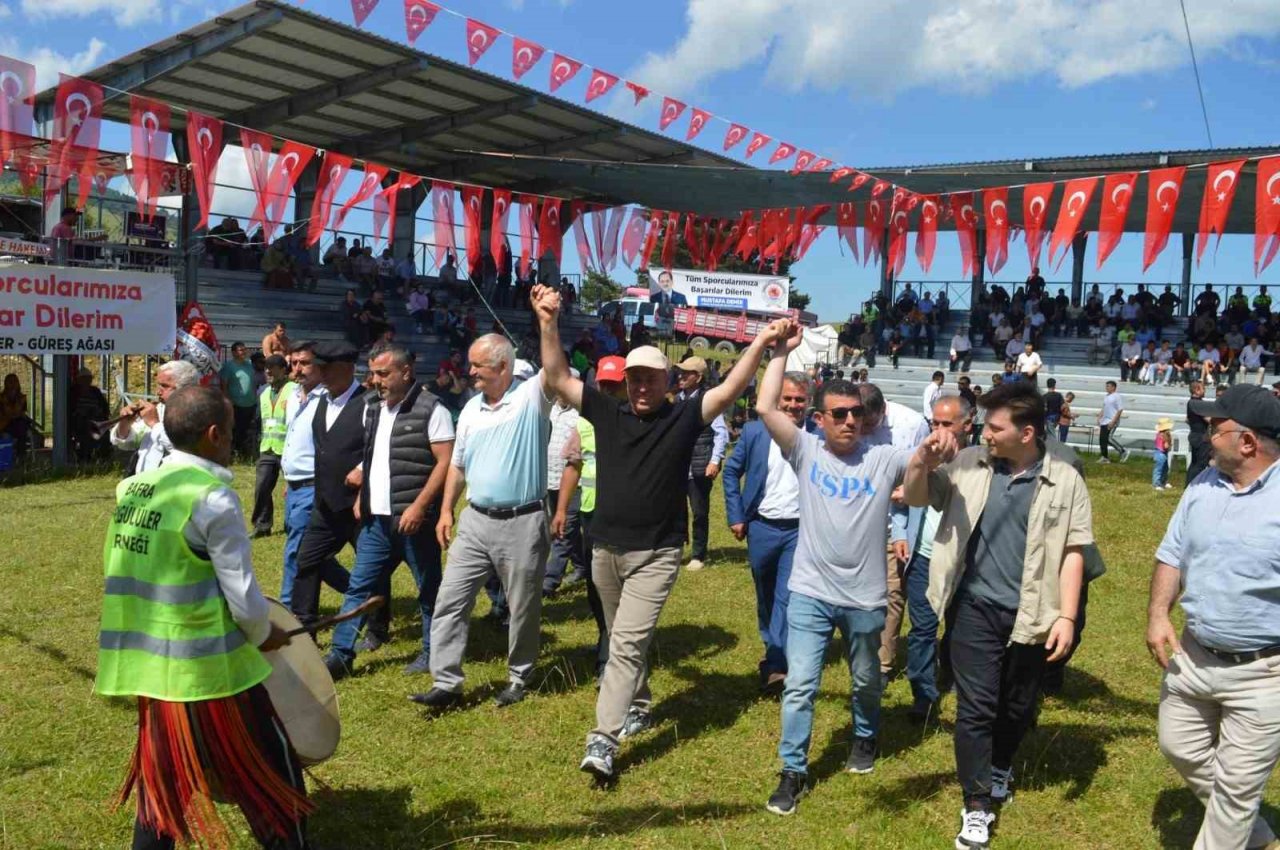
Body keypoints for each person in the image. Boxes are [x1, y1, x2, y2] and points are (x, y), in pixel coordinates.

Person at [533, 284, 781, 781]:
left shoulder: (685, 416)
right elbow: (558, 376)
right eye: (634, 378)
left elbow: (730, 389)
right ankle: (640, 703)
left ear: (668, 380)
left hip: (656, 554)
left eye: (651, 378)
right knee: (624, 636)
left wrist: (761, 343)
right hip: (604, 549)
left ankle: (602, 741)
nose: (642, 386)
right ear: (624, 381)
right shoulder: (606, 411)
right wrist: (547, 321)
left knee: (624, 642)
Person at [95, 385, 312, 850]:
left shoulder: (133, 489)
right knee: (276, 780)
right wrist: (264, 632)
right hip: (212, 674)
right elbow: (244, 599)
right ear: (214, 434)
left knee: (162, 792)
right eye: (232, 432)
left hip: (151, 672)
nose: (234, 440)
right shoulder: (212, 498)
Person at [903, 381, 1093, 850]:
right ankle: (977, 805)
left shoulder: (1066, 478)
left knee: (1017, 705)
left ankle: (1001, 765)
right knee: (976, 708)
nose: (984, 433)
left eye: (994, 426)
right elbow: (913, 496)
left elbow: (1074, 551)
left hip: (1035, 612)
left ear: (1026, 433)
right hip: (974, 607)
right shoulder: (968, 463)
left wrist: (1067, 617)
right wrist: (922, 461)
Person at [757, 339, 927, 816]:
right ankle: (792, 771)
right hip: (810, 592)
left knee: (866, 680)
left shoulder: (885, 456)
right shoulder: (804, 450)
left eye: (855, 413)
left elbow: (915, 490)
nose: (850, 421)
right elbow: (765, 405)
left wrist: (929, 456)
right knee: (801, 684)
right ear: (819, 418)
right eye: (838, 414)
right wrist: (778, 353)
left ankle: (867, 736)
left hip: (866, 597)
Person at [1147, 384, 1280, 850]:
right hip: (1193, 655)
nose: (1206, 433)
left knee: (1236, 791)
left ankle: (1234, 823)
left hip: (1265, 672)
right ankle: (1258, 834)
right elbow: (1172, 552)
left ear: (1247, 442)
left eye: (1214, 426)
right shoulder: (1203, 482)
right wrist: (1158, 613)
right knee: (1178, 745)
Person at [410, 332, 553, 710]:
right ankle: (446, 683)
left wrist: (547, 322)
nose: (469, 371)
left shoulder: (530, 399)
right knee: (450, 599)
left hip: (522, 521)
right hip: (475, 521)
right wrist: (445, 510)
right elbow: (458, 465)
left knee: (522, 606)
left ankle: (520, 677)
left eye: (478, 365)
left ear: (503, 366)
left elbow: (555, 369)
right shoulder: (471, 408)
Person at [323, 343, 454, 680]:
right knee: (359, 587)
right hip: (375, 521)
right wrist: (363, 495)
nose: (376, 380)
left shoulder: (431, 409)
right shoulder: (374, 409)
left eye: (383, 373)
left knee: (428, 589)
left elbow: (445, 462)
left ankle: (431, 651)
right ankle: (341, 655)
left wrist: (420, 506)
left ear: (405, 372)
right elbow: (375, 455)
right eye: (374, 373)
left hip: (413, 521)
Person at [723, 371, 813, 696]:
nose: (792, 405)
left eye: (799, 400)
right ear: (776, 400)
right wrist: (736, 515)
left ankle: (776, 664)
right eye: (786, 398)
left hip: (799, 530)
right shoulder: (754, 432)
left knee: (787, 597)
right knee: (766, 591)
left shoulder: (816, 435)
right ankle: (771, 642)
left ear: (809, 403)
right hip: (760, 527)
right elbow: (731, 472)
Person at [899, 393, 974, 723]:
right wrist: (900, 533)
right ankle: (923, 696)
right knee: (922, 630)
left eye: (948, 423)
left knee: (961, 630)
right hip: (923, 557)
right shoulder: (922, 453)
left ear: (967, 425)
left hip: (963, 563)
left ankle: (961, 684)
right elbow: (903, 498)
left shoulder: (980, 461)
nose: (939, 430)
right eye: (935, 422)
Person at [551, 355, 627, 680]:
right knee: (596, 585)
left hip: (625, 517)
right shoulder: (585, 422)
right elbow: (574, 465)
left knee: (620, 585)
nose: (608, 390)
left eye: (614, 385)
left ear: (626, 385)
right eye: (603, 385)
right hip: (590, 515)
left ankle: (612, 653)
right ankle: (605, 636)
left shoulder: (636, 421)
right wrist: (560, 509)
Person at [288, 342, 367, 630]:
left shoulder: (369, 403)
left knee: (373, 568)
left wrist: (362, 469)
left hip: (360, 505)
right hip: (325, 503)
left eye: (325, 368)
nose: (319, 374)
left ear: (345, 369)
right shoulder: (322, 401)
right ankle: (304, 624)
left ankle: (377, 625)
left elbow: (382, 445)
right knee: (307, 560)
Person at [857, 385, 930, 685]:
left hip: (893, 523)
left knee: (891, 594)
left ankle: (883, 664)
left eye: (869, 425)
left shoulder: (912, 425)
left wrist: (908, 491)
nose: (862, 429)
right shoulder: (851, 419)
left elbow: (925, 471)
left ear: (882, 410)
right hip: (857, 524)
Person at [278, 342, 350, 610]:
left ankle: (288, 609)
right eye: (294, 363)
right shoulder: (294, 396)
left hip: (314, 487)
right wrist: (288, 481)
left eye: (305, 363)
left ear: (320, 366)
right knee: (315, 555)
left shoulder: (329, 399)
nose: (298, 369)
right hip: (294, 487)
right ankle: (359, 591)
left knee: (296, 552)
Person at [675, 356, 729, 571]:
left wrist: (715, 461)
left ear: (697, 377)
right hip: (677, 468)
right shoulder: (677, 400)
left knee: (699, 512)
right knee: (676, 511)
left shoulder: (708, 401)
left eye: (686, 373)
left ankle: (698, 554)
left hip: (699, 466)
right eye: (680, 372)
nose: (680, 376)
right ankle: (676, 549)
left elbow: (721, 433)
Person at [111, 360, 201, 474]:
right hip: (146, 485)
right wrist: (125, 424)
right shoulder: (159, 409)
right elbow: (126, 443)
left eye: (165, 386)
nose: (158, 391)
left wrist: (155, 423)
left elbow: (185, 451)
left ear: (185, 388)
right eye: (158, 385)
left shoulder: (198, 413)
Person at [543, 389, 587, 595]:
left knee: (564, 530)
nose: (560, 393)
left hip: (572, 481)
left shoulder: (581, 413)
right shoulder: (549, 410)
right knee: (566, 528)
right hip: (550, 481)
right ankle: (582, 566)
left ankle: (549, 582)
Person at [249, 355, 294, 537]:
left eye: (273, 367)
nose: (268, 371)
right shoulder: (264, 392)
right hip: (268, 447)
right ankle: (262, 525)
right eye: (267, 367)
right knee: (262, 487)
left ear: (284, 370)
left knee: (294, 489)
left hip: (289, 448)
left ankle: (292, 524)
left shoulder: (294, 390)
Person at [219, 343, 258, 459]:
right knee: (235, 429)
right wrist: (228, 401)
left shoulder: (249, 365)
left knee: (245, 429)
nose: (244, 352)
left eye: (244, 350)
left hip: (250, 403)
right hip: (236, 404)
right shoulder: (228, 366)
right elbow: (224, 385)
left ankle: (242, 453)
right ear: (234, 352)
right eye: (241, 350)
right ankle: (232, 453)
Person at [69, 367, 110, 462]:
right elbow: (72, 409)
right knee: (86, 431)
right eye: (84, 378)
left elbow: (104, 407)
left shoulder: (95, 391)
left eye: (89, 378)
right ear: (79, 379)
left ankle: (102, 456)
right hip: (80, 421)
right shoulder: (74, 392)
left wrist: (101, 415)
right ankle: (86, 457)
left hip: (97, 419)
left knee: (104, 431)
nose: (87, 380)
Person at [1185, 381, 1212, 484]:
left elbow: (1187, 419)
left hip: (1196, 435)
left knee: (1195, 463)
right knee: (1200, 464)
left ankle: (1189, 485)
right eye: (1203, 388)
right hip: (1200, 437)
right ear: (1197, 390)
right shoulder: (1197, 403)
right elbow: (1209, 419)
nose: (1204, 391)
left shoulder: (1191, 403)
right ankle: (1193, 484)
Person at [1097, 380, 1129, 463]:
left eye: (1108, 386)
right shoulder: (1106, 396)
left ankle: (1123, 451)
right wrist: (1099, 416)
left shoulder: (1117, 396)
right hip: (1105, 420)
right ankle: (1104, 457)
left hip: (1112, 420)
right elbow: (1104, 407)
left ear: (1113, 387)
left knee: (1109, 438)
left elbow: (1120, 409)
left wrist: (1113, 421)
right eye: (1106, 386)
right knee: (1102, 439)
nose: (1106, 388)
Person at [1152, 416, 1174, 491]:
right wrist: (1169, 442)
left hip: (1159, 453)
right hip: (1161, 454)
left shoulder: (1159, 434)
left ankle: (1162, 482)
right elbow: (1166, 446)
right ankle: (1157, 483)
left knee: (1163, 468)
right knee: (1160, 469)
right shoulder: (1164, 435)